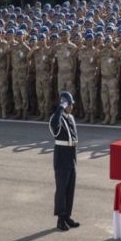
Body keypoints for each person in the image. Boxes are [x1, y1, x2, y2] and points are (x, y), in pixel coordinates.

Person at [49, 91, 80, 231]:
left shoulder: (70, 118)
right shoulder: (56, 118)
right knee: (61, 188)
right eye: (69, 104)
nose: (71, 107)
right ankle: (60, 219)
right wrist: (60, 108)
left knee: (70, 188)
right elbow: (55, 127)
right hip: (61, 156)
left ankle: (67, 215)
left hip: (71, 155)